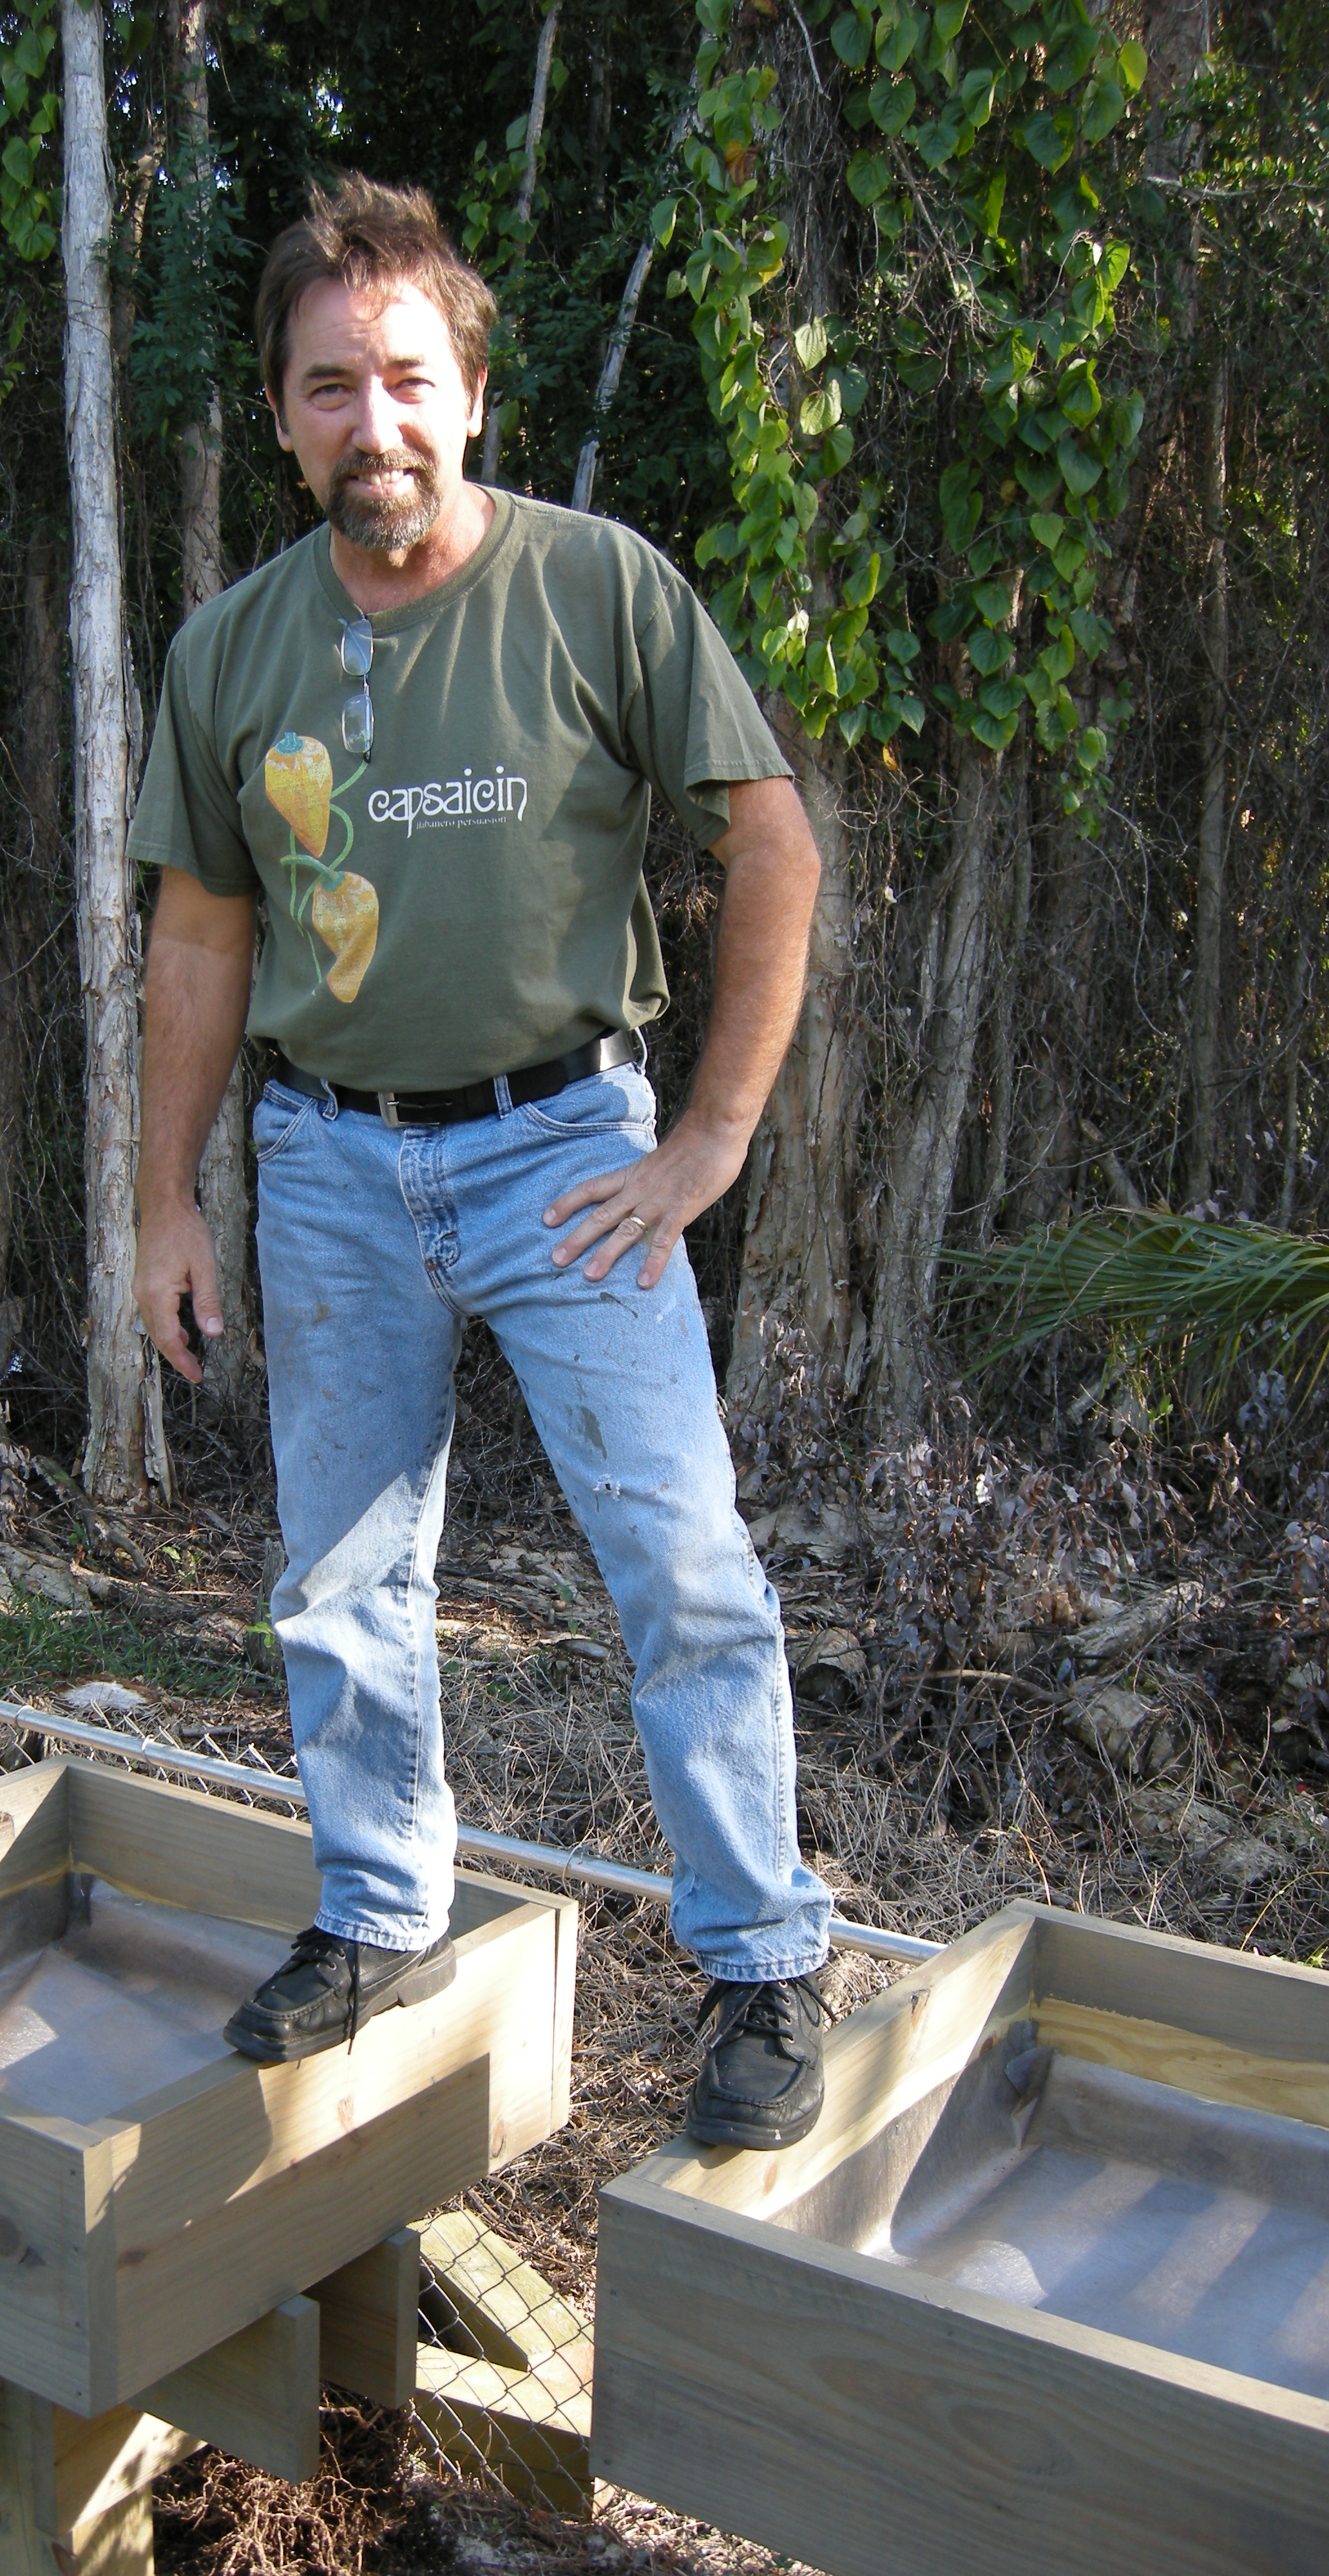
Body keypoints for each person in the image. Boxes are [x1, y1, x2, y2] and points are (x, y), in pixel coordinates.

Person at [128, 175, 834, 2150]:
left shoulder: (598, 588)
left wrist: (709, 1137)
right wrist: (167, 1198)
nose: (375, 421)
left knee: (679, 1562)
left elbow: (771, 842)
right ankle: (377, 1913)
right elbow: (200, 939)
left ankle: (766, 1960)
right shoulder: (231, 652)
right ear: (284, 418)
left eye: (406, 378)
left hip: (568, 1155)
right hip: (329, 1166)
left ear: (471, 392)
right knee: (341, 1574)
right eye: (330, 388)